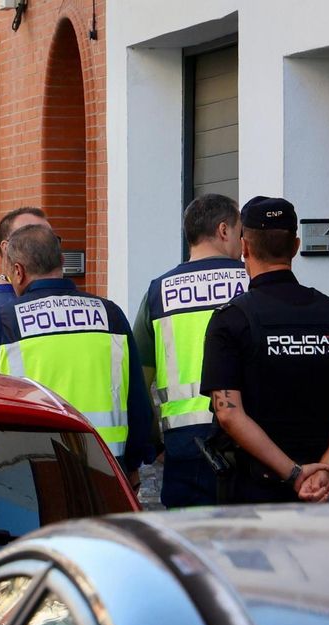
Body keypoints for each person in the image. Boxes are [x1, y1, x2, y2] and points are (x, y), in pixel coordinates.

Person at [202, 196, 329, 504]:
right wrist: (323, 473)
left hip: (252, 495)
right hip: (318, 495)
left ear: (245, 247)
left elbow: (228, 413)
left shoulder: (231, 320)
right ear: (295, 247)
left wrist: (294, 474)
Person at [0, 225, 156, 485]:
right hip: (107, 472)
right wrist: (133, 465)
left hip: (31, 478)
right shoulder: (111, 316)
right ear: (62, 260)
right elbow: (137, 401)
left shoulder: (2, 323)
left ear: (18, 271)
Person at [134, 193, 249, 508]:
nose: (243, 242)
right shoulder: (252, 282)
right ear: (224, 230)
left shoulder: (158, 292)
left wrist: (155, 444)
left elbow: (138, 380)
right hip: (252, 442)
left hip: (185, 447)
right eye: (240, 232)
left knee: (190, 537)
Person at [0, 207, 52, 337]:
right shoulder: (9, 308)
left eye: (50, 240)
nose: (45, 246)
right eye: (31, 239)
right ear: (6, 248)